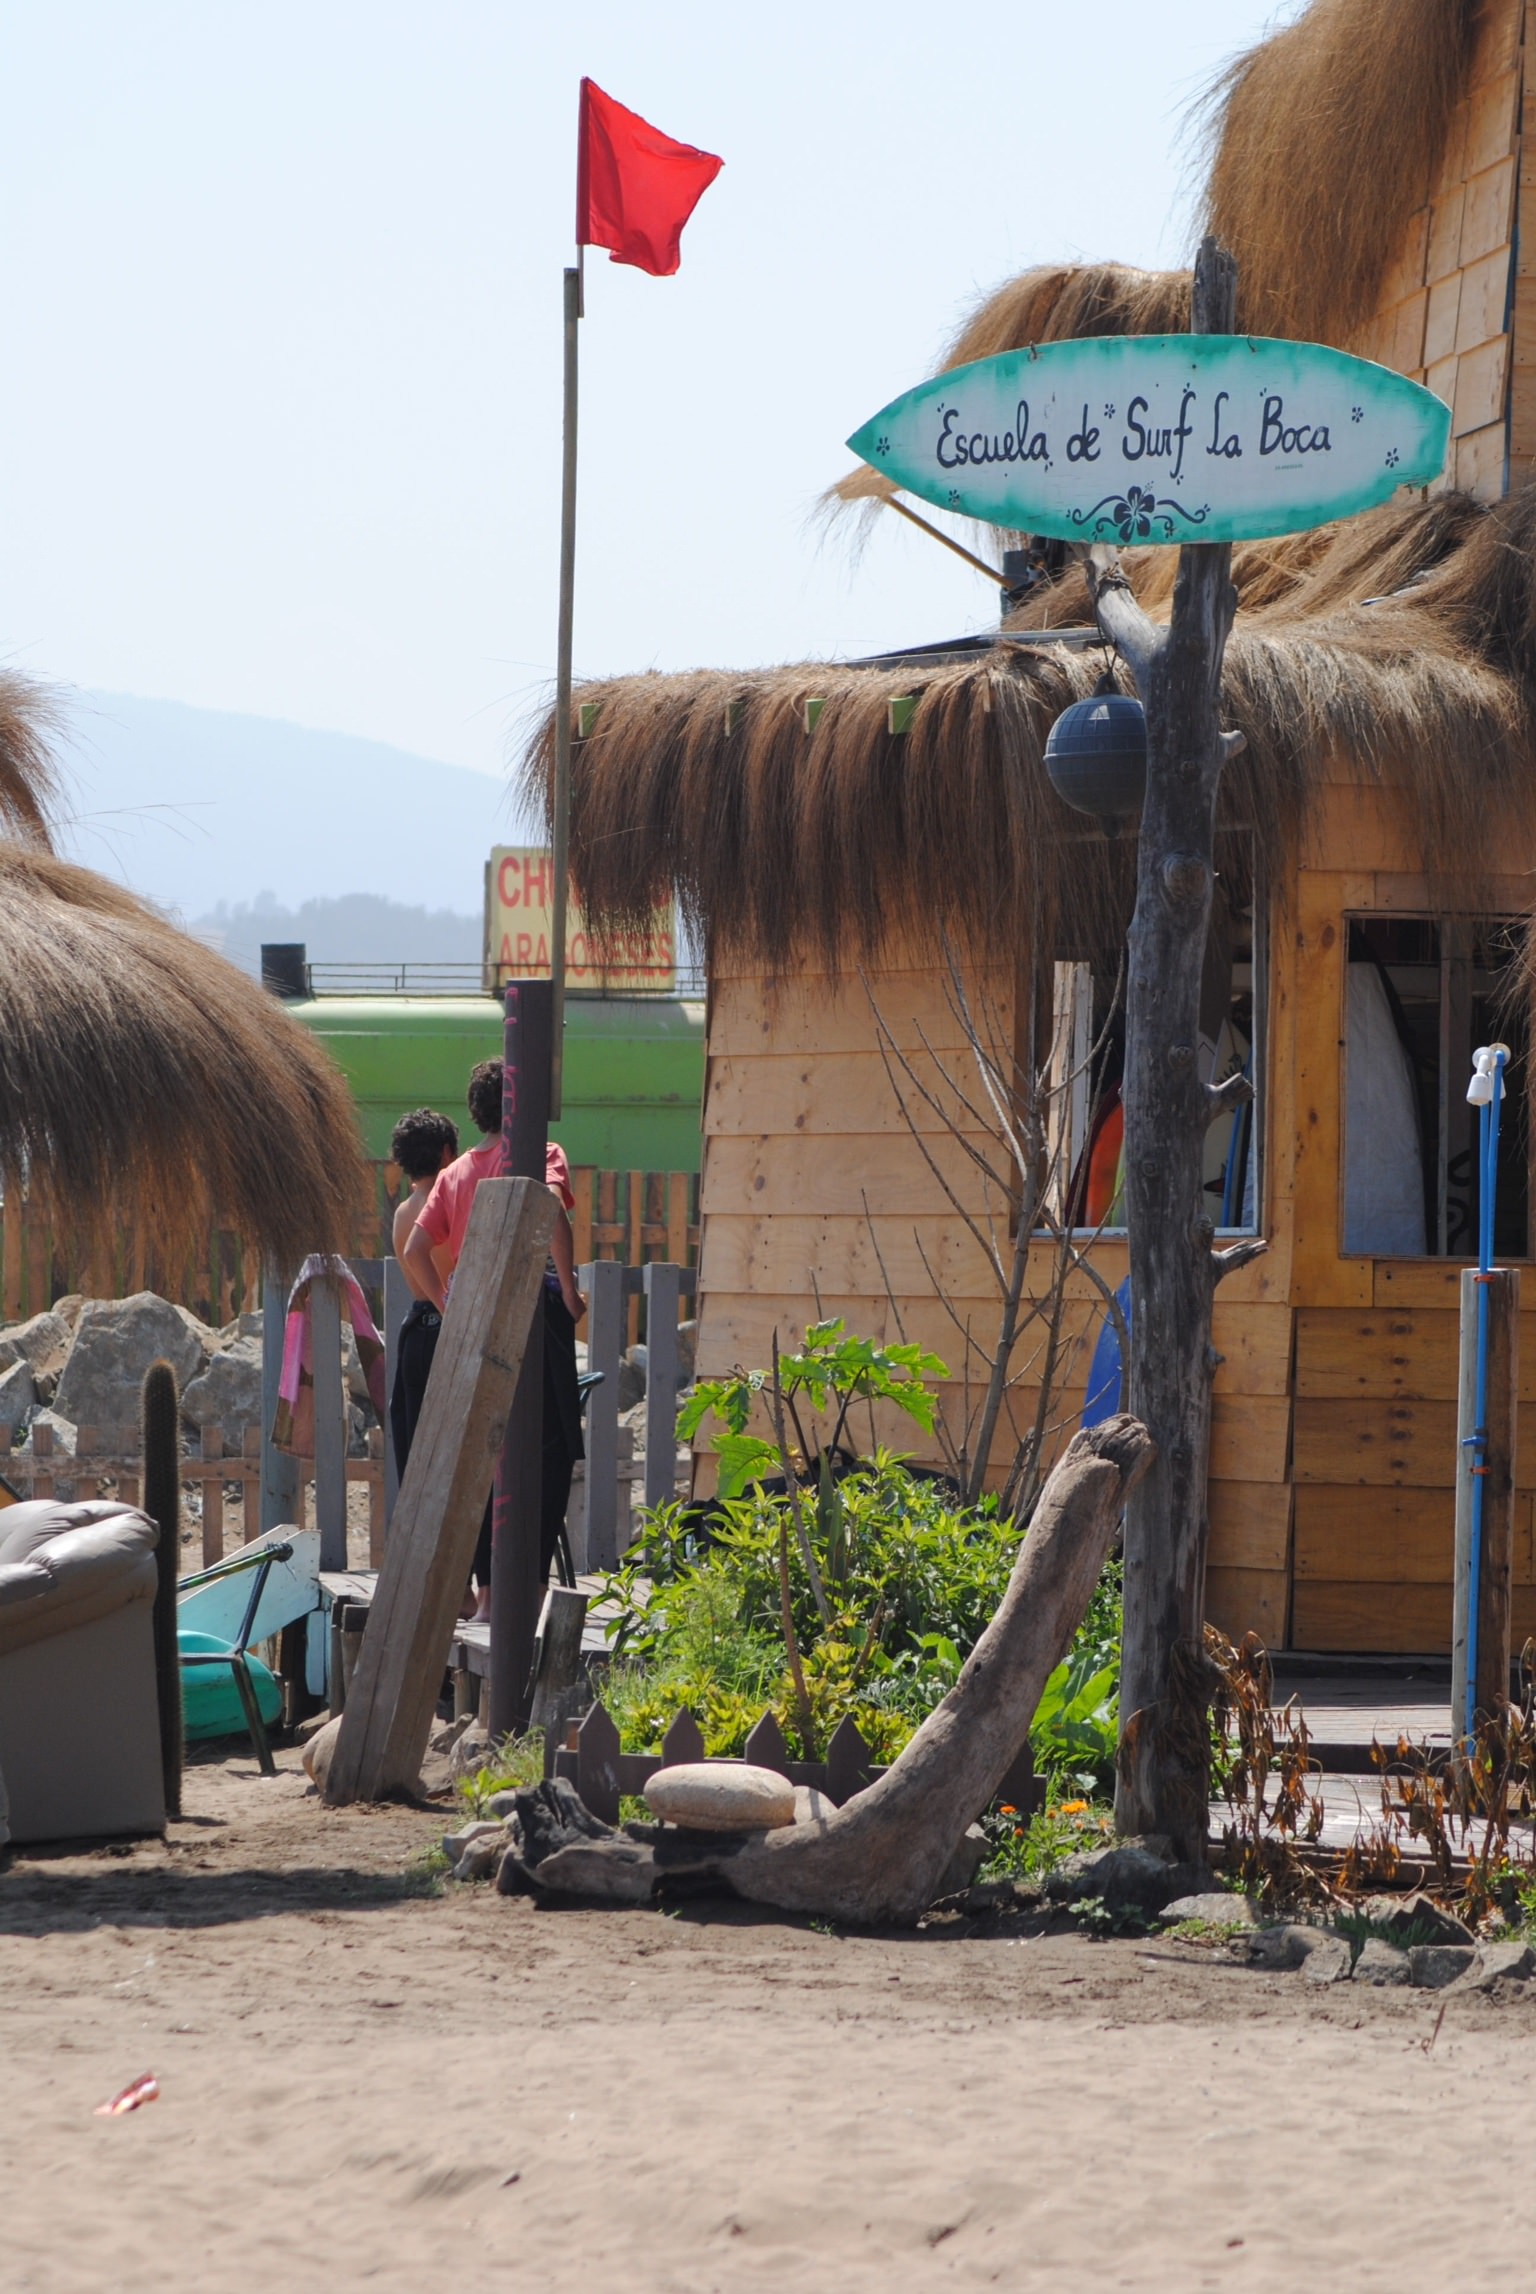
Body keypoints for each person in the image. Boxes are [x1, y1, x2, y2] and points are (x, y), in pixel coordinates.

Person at [403, 1058, 585, 1618]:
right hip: (532, 1308)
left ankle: (487, 1596)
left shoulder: (456, 1172)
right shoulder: (540, 1154)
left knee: (485, 1452)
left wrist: (449, 1305)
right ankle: (528, 1589)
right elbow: (550, 1210)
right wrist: (571, 1291)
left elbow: (414, 1251)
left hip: (477, 1317)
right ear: (521, 1103)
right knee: (553, 1450)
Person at [386, 1108, 459, 1483]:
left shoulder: (402, 1213)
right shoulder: (453, 1204)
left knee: (417, 1459)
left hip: (416, 1334)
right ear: (447, 1153)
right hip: (451, 1333)